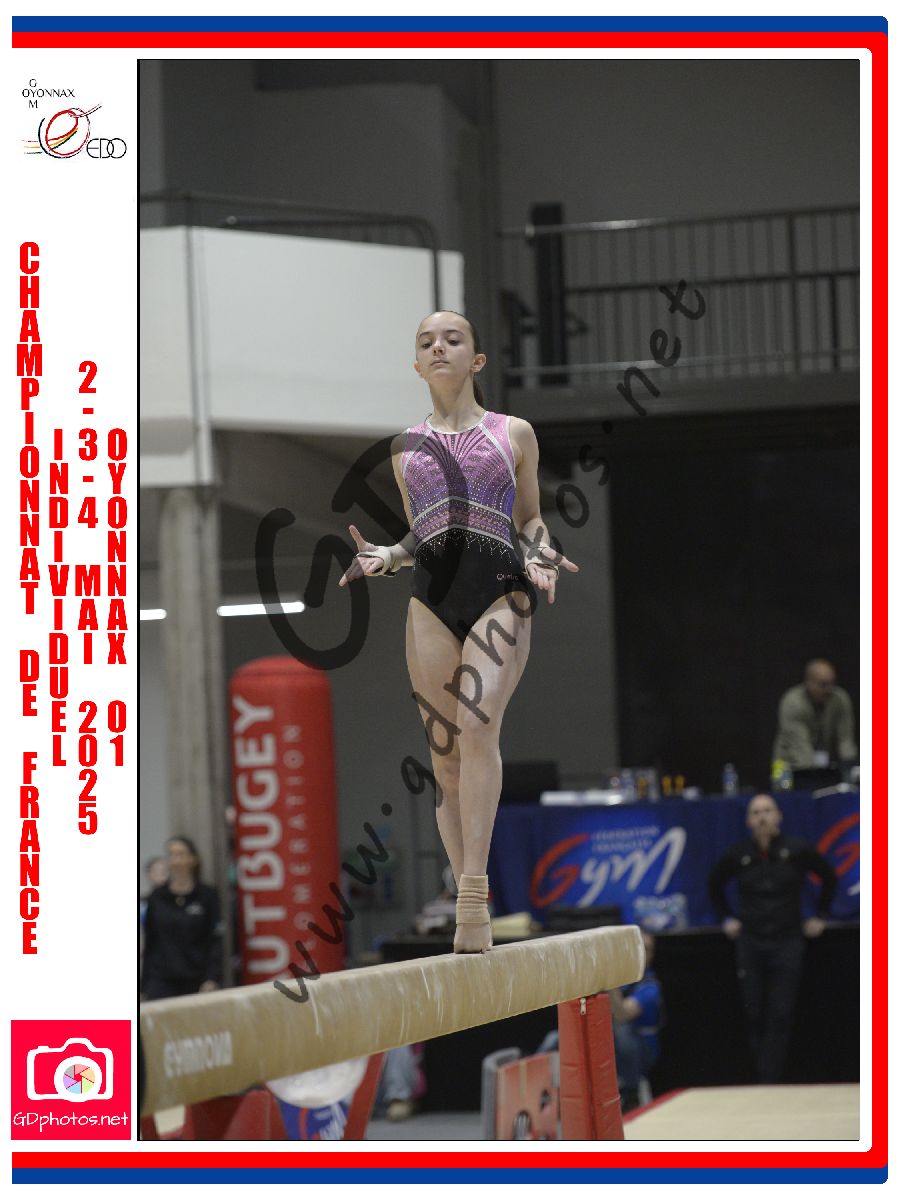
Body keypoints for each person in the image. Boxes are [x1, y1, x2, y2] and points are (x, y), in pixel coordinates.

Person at [338, 311, 578, 953]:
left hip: (501, 589)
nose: (438, 347)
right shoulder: (404, 448)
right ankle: (463, 886)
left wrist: (542, 552)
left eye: (452, 339)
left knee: (476, 725)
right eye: (426, 342)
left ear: (476, 359)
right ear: (417, 366)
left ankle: (473, 896)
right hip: (431, 600)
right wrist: (388, 556)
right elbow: (425, 532)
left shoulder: (513, 433)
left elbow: (530, 518)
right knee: (444, 761)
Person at [708, 793, 838, 1083]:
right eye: (756, 812)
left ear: (779, 816)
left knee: (781, 1012)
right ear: (748, 821)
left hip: (787, 941)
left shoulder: (797, 849)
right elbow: (714, 884)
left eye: (767, 811)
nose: (762, 817)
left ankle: (771, 1080)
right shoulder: (739, 854)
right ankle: (760, 1076)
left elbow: (829, 877)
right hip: (751, 941)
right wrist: (727, 918)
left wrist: (820, 915)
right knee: (752, 1010)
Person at [141, 836, 223, 1000]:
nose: (175, 860)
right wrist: (143, 986)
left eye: (180, 854)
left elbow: (214, 940)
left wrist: (212, 977)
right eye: (171, 855)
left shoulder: (207, 896)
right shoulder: (157, 898)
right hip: (162, 979)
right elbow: (150, 942)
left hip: (197, 978)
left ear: (192, 859)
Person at [607, 928, 664, 1113]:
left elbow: (622, 1014)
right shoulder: (622, 979)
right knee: (558, 1037)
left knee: (622, 1029)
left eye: (649, 949)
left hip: (642, 1051)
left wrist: (608, 979)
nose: (645, 954)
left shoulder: (650, 986)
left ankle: (632, 1090)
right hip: (613, 1047)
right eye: (641, 948)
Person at [772, 658, 858, 769]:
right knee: (784, 774)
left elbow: (846, 740)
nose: (829, 690)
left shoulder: (839, 700)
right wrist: (815, 773)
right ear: (809, 682)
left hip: (820, 761)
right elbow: (800, 747)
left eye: (832, 683)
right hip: (788, 762)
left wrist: (851, 767)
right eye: (823, 684)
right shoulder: (792, 702)